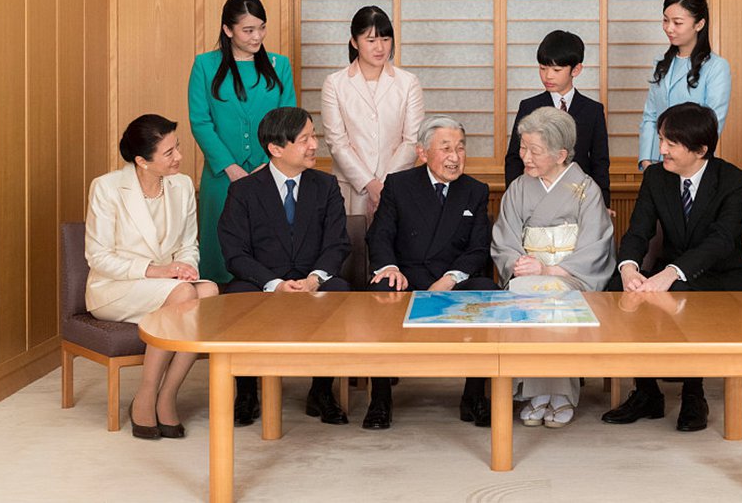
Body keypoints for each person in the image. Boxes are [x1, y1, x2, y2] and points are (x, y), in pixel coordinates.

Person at [603, 102, 742, 432]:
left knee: (679, 292)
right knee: (618, 289)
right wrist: (629, 269)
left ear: (700, 149)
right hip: (670, 271)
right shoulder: (657, 178)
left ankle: (694, 394)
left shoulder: (733, 181)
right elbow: (638, 230)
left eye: (671, 143)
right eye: (661, 140)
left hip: (724, 276)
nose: (661, 150)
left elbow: (721, 241)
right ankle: (647, 392)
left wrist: (671, 272)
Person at [84, 114, 219, 439]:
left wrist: (185, 267)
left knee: (210, 291)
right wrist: (158, 272)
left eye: (178, 147)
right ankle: (146, 395)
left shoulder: (182, 184)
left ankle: (167, 394)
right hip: (116, 288)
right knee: (185, 296)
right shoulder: (107, 188)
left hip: (167, 286)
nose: (180, 157)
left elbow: (189, 244)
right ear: (142, 161)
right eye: (169, 152)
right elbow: (98, 256)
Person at [218, 107, 352, 427]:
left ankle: (321, 391)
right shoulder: (243, 190)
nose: (313, 145)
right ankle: (247, 392)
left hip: (311, 279)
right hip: (262, 282)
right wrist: (274, 283)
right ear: (276, 148)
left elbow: (338, 243)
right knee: (237, 295)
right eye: (304, 139)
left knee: (341, 291)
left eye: (313, 136)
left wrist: (315, 278)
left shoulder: (326, 185)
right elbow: (234, 253)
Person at [365, 115, 497, 429]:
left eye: (461, 148)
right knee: (381, 292)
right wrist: (390, 268)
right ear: (423, 153)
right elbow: (379, 234)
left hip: (452, 277)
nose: (455, 157)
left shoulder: (475, 190)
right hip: (408, 275)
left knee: (487, 291)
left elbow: (479, 248)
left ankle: (474, 396)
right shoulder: (398, 184)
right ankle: (380, 400)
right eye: (446, 148)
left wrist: (450, 278)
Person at [492, 106, 616, 428]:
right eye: (523, 148)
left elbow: (595, 243)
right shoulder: (519, 188)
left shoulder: (586, 189)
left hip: (569, 275)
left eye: (535, 151)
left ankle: (559, 394)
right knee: (524, 290)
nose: (525, 157)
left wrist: (548, 270)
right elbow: (505, 238)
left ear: (562, 154)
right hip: (528, 273)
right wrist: (517, 262)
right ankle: (536, 393)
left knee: (554, 297)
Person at [188, 0, 295, 283]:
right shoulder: (205, 65)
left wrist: (267, 165)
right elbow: (200, 121)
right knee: (220, 254)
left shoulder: (279, 65)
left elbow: (288, 120)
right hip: (221, 176)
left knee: (268, 253)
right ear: (227, 29)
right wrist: (230, 167)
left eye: (261, 27)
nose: (257, 36)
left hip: (270, 173)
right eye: (248, 30)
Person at [321, 6, 424, 223]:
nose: (380, 47)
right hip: (350, 187)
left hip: (397, 185)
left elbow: (412, 140)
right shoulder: (335, 84)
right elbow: (337, 142)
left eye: (386, 39)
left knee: (394, 251)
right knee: (353, 251)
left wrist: (384, 185)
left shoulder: (408, 83)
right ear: (354, 42)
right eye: (371, 40)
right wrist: (370, 183)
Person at [504, 30, 611, 207]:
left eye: (556, 70)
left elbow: (600, 161)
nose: (548, 76)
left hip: (578, 197)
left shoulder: (593, 110)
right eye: (543, 68)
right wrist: (514, 197)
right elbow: (514, 158)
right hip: (535, 195)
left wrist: (603, 203)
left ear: (576, 69)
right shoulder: (529, 107)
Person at [638, 0, 731, 169]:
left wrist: (680, 158)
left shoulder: (716, 67)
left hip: (693, 164)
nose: (669, 28)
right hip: (658, 161)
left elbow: (712, 123)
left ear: (699, 24)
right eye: (665, 20)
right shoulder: (661, 63)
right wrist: (647, 160)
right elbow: (651, 116)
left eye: (677, 22)